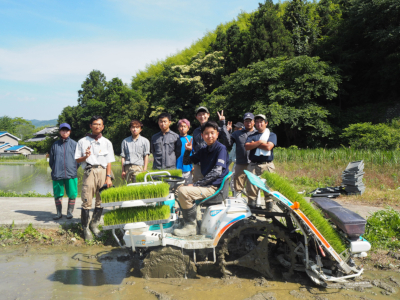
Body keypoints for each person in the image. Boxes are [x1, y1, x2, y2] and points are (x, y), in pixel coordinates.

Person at [174, 121, 229, 237]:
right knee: (176, 189)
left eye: (212, 133)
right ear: (202, 136)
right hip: (207, 185)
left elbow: (217, 172)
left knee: (183, 191)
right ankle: (190, 220)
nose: (209, 136)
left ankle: (190, 226)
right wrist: (188, 151)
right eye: (206, 134)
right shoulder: (204, 150)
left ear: (217, 134)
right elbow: (187, 161)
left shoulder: (221, 149)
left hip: (214, 187)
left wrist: (196, 184)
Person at [75, 116, 115, 241]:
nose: (97, 126)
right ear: (90, 126)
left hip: (103, 171)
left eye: (100, 124)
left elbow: (109, 162)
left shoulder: (107, 142)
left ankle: (94, 225)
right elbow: (77, 159)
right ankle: (85, 228)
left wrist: (108, 177)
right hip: (89, 171)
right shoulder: (82, 141)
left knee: (101, 200)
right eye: (95, 124)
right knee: (87, 200)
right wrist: (85, 156)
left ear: (103, 127)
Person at [244, 114, 276, 211]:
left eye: (261, 121)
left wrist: (254, 143)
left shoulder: (272, 135)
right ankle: (252, 211)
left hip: (267, 165)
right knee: (251, 189)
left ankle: (269, 212)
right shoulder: (252, 135)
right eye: (256, 122)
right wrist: (260, 142)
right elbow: (246, 147)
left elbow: (268, 147)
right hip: (253, 165)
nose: (258, 124)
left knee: (269, 189)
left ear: (266, 123)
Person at [48, 123, 79, 220]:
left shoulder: (75, 144)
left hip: (71, 174)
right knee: (58, 194)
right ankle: (58, 213)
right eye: (63, 130)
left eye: (67, 130)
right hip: (57, 174)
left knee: (73, 194)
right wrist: (55, 169)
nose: (65, 132)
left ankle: (69, 213)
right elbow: (51, 160)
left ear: (70, 131)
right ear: (60, 132)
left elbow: (78, 160)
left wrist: (73, 168)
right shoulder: (55, 144)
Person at [192, 106, 229, 182]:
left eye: (204, 114)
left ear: (208, 115)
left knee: (208, 185)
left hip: (212, 164)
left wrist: (222, 123)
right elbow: (194, 147)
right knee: (196, 188)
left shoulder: (215, 128)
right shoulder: (195, 131)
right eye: (199, 114)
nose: (202, 116)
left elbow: (228, 141)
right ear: (196, 117)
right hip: (199, 165)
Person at [225, 113, 256, 197]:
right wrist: (227, 132)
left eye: (250, 121)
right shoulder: (237, 133)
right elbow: (228, 143)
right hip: (240, 163)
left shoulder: (258, 133)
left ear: (254, 122)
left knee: (254, 184)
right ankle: (237, 201)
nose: (248, 123)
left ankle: (255, 204)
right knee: (238, 184)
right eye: (246, 121)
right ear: (244, 122)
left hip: (254, 163)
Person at [176, 119, 193, 184]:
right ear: (178, 128)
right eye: (181, 126)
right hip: (177, 167)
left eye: (185, 126)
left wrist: (193, 166)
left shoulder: (191, 139)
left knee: (188, 187)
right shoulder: (175, 138)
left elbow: (194, 153)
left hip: (188, 168)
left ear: (188, 128)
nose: (182, 128)